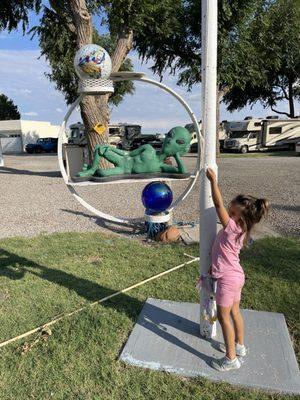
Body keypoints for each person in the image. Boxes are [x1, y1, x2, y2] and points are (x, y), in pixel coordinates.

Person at [206, 167, 269, 371]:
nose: (228, 214)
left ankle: (231, 359)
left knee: (224, 317)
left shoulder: (232, 228)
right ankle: (240, 346)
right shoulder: (242, 230)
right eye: (229, 210)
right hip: (237, 276)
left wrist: (213, 182)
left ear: (241, 218)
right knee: (234, 312)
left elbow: (216, 204)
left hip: (227, 279)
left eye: (232, 213)